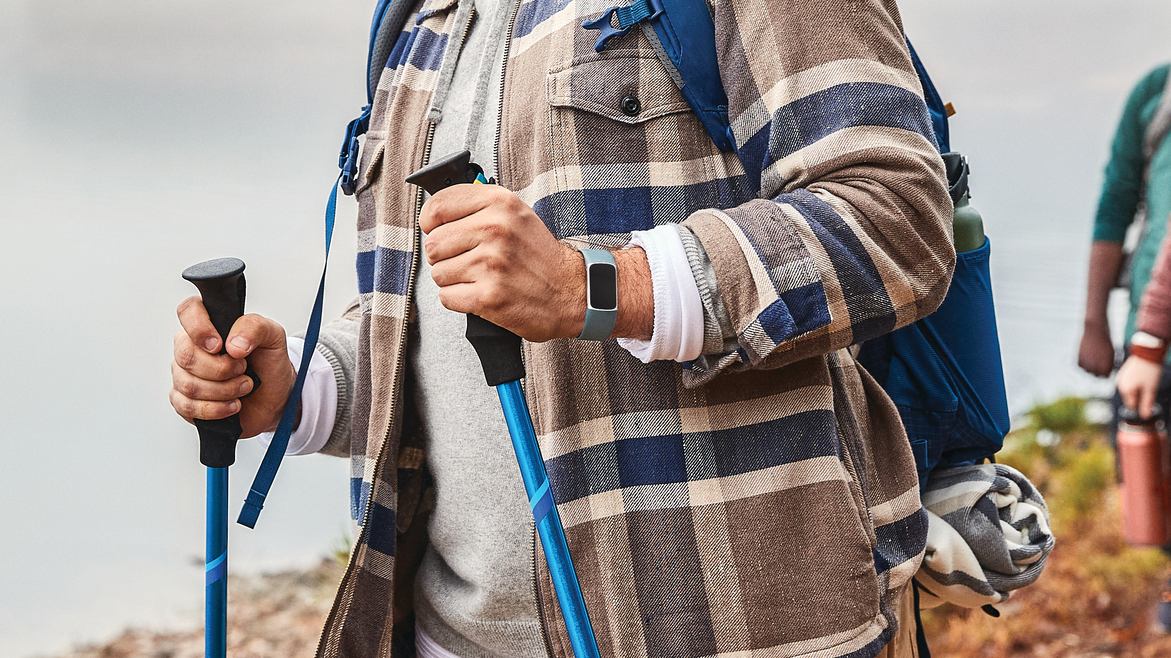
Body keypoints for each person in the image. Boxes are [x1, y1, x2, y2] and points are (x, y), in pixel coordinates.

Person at [169, 1, 955, 656]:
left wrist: (599, 287)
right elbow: (438, 331)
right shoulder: (421, 20)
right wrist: (303, 390)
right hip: (446, 637)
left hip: (735, 631)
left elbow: (895, 220)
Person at [1079, 63, 1171, 420]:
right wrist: (1094, 324)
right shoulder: (1156, 91)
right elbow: (1115, 206)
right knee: (1139, 465)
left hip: (1150, 345)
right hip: (1151, 346)